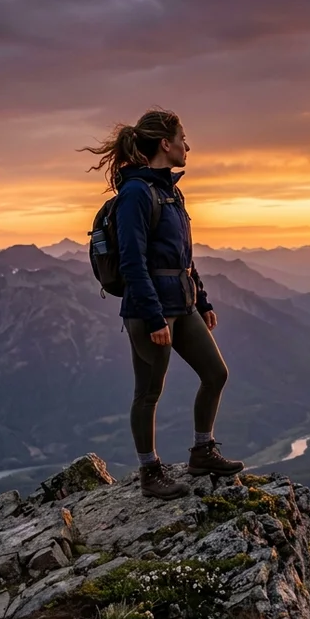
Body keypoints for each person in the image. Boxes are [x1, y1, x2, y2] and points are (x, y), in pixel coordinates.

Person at [81, 108, 244, 500]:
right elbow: (133, 262)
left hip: (183, 304)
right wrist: (154, 318)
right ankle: (149, 472)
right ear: (165, 144)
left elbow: (184, 254)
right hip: (149, 310)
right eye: (183, 138)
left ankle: (203, 451)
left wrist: (201, 297)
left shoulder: (170, 190)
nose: (188, 146)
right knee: (148, 392)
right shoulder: (136, 194)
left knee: (216, 373)